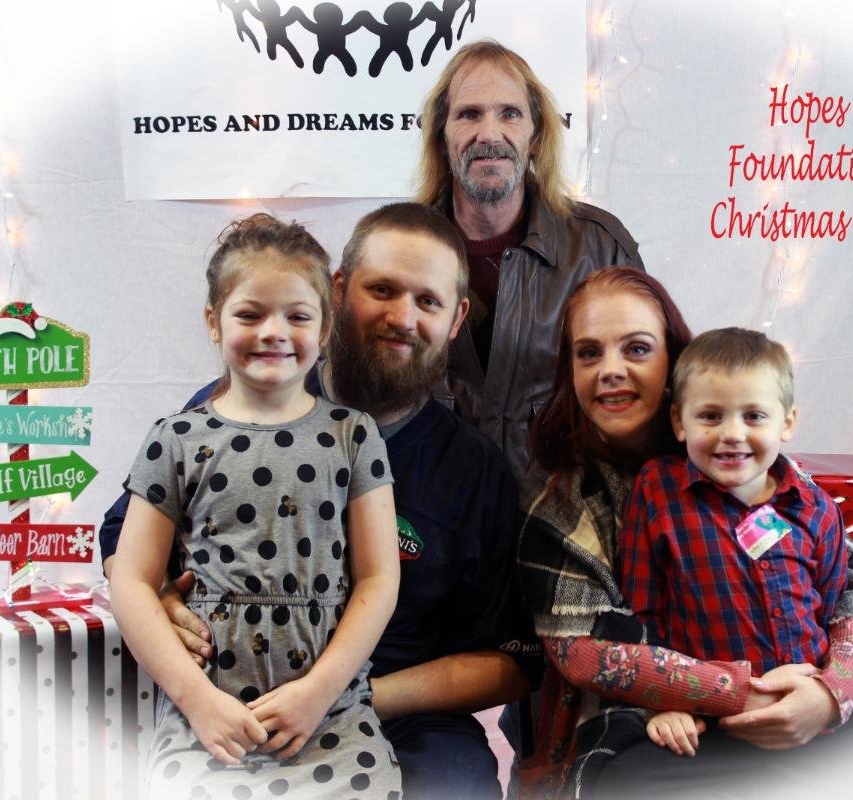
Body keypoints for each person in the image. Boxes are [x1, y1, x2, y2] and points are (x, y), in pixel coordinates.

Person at [100, 202, 540, 799]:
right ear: (338, 290)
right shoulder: (223, 408)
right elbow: (125, 550)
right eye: (381, 290)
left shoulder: (473, 469)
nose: (402, 317)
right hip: (227, 696)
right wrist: (161, 606)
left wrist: (343, 696)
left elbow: (512, 661)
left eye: (428, 301)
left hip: (404, 714)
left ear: (457, 317)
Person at [516, 268, 853, 798]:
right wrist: (738, 694)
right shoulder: (561, 500)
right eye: (589, 353)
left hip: (800, 705)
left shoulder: (759, 467)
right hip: (644, 722)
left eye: (637, 349)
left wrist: (831, 693)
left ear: (673, 359)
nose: (611, 370)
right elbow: (585, 650)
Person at [108, 213, 401, 797]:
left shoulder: (354, 436)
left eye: (298, 316)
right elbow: (132, 581)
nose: (274, 332)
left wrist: (318, 693)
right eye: (249, 314)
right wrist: (197, 701)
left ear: (325, 327)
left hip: (332, 717)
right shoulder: (175, 440)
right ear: (213, 322)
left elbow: (379, 578)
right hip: (206, 720)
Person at [612, 327, 853, 798]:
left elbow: (830, 602)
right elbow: (642, 612)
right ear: (679, 422)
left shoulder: (815, 507)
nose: (732, 434)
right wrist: (660, 704)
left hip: (806, 717)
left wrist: (825, 695)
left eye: (754, 416)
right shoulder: (658, 492)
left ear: (787, 421)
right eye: (710, 416)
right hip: (705, 724)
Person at [416, 40, 644, 478]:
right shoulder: (399, 250)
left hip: (561, 508)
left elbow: (645, 392)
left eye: (510, 114)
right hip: (431, 510)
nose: (489, 134)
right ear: (442, 138)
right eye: (469, 114)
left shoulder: (601, 248)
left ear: (536, 136)